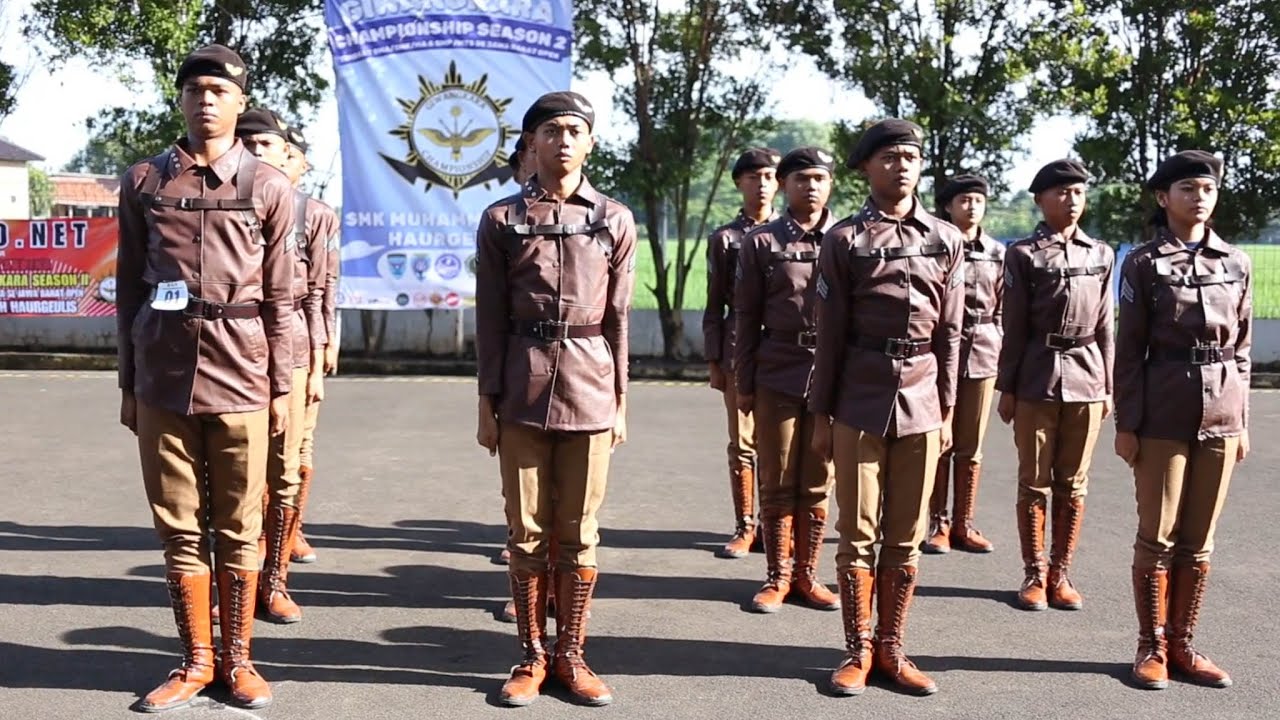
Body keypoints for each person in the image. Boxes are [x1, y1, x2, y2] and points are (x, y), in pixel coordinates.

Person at [117, 44, 294, 711]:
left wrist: (283, 388)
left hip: (244, 370)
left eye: (220, 89)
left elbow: (284, 299)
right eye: (196, 89)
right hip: (162, 373)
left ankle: (239, 661)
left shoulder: (268, 187)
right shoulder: (144, 183)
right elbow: (129, 288)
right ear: (181, 100)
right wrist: (128, 382)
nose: (207, 99)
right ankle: (195, 660)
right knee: (179, 525)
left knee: (239, 525)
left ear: (240, 102)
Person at [474, 91, 636, 707]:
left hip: (592, 384)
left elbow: (618, 318)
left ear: (590, 143)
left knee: (580, 531)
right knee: (527, 532)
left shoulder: (614, 218)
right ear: (531, 144)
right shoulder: (501, 220)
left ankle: (571, 654)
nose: (563, 140)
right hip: (520, 384)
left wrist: (621, 399)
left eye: (575, 130)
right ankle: (530, 657)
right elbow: (490, 319)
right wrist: (486, 402)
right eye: (550, 130)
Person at [810, 119, 964, 697]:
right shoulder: (844, 240)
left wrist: (947, 409)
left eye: (910, 157)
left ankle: (893, 647)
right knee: (857, 533)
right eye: (890, 157)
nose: (902, 166)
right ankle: (857, 650)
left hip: (924, 396)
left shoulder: (945, 239)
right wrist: (822, 415)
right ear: (867, 168)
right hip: (859, 397)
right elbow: (828, 336)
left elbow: (951, 334)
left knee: (905, 535)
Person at [1116, 150, 1249, 691]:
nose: (1199, 197)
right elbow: (1128, 350)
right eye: (1188, 188)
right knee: (1158, 535)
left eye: (1207, 189)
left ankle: (1183, 643)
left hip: (1222, 411)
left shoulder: (1235, 262)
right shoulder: (1144, 264)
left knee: (1200, 540)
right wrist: (1127, 423)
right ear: (1163, 197)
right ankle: (1150, 647)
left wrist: (1242, 421)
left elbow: (1240, 348)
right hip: (1162, 410)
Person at [997, 159, 1114, 612]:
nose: (1071, 200)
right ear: (1041, 200)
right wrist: (1007, 386)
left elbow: (1106, 325)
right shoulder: (1024, 254)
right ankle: (1032, 573)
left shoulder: (1099, 254)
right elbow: (1015, 325)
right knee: (1034, 480)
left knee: (1073, 483)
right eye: (1061, 192)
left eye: (1078, 193)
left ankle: (1060, 573)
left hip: (1086, 376)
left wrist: (1108, 384)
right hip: (1037, 377)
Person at [734, 147, 839, 614]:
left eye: (819, 177)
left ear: (830, 184)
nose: (810, 186)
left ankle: (807, 575)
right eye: (800, 178)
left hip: (833, 370)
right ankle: (777, 576)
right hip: (778, 366)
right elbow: (745, 315)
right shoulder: (761, 242)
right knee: (776, 478)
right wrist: (744, 380)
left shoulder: (849, 237)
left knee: (817, 480)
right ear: (783, 184)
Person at [232, 107, 321, 625]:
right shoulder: (216, 204)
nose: (257, 151)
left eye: (267, 144)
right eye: (249, 142)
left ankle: (274, 583)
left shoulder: (306, 212)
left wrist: (317, 350)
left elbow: (311, 293)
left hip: (290, 355)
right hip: (233, 358)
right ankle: (234, 586)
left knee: (283, 474)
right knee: (231, 480)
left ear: (285, 153)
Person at [703, 147, 780, 559]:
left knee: (780, 445)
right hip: (739, 350)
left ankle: (775, 524)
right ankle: (746, 526)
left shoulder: (793, 235)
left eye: (769, 175)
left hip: (785, 351)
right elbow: (715, 304)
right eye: (753, 176)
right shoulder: (726, 239)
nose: (762, 183)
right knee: (743, 443)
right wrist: (715, 361)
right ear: (739, 183)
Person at [922, 174, 1003, 554]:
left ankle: (963, 522)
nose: (971, 207)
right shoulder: (935, 246)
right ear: (949, 207)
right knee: (941, 440)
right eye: (964, 200)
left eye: (978, 200)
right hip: (940, 355)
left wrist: (998, 340)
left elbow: (1003, 306)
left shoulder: (997, 252)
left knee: (971, 446)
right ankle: (937, 522)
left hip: (983, 353)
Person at [280, 123, 339, 567]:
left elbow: (324, 286)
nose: (278, 160)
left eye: (287, 152)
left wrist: (325, 347)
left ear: (302, 162)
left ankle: (290, 530)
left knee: (301, 446)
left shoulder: (314, 214)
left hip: (303, 339)